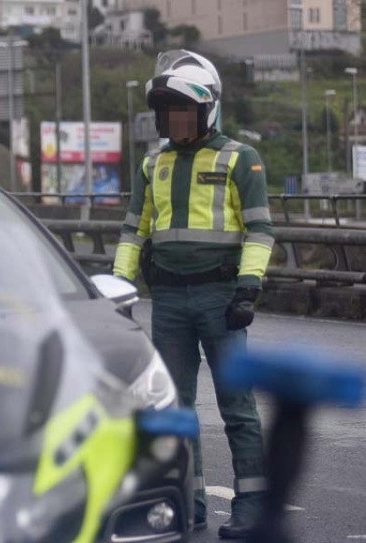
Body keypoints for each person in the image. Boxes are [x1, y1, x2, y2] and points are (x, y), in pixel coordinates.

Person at [113, 50, 274, 539]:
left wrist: (249, 289)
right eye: (169, 113)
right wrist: (118, 291)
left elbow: (260, 232)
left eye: (184, 111)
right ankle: (188, 502)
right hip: (169, 302)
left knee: (237, 405)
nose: (176, 121)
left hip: (221, 298)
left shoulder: (240, 158)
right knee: (174, 408)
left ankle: (252, 505)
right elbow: (132, 232)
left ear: (208, 110)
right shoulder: (152, 163)